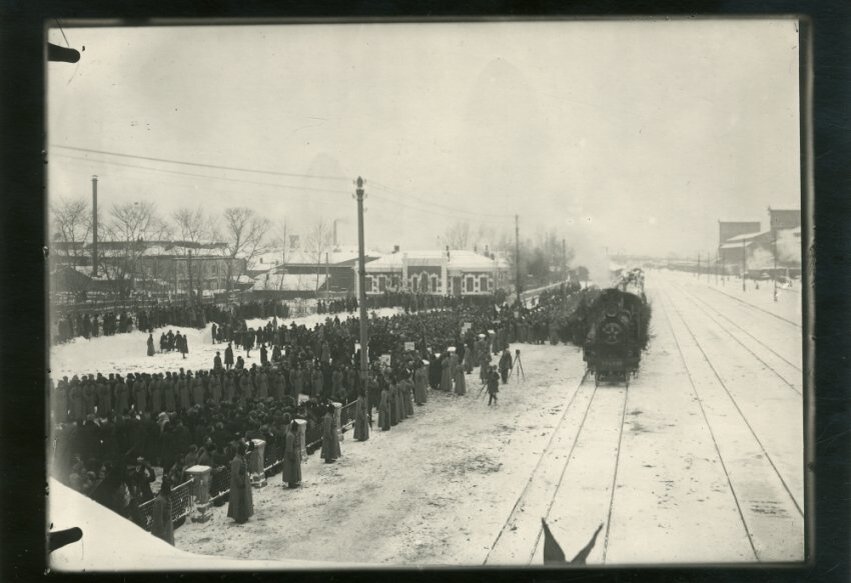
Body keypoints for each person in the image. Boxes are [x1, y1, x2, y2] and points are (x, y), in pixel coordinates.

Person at [227, 442, 254, 524]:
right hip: (238, 484)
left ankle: (244, 515)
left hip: (243, 482)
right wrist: (240, 483)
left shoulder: (241, 458)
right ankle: (238, 517)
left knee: (244, 499)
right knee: (238, 500)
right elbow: (235, 474)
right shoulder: (236, 460)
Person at [150, 479, 175, 545]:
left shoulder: (167, 498)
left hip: (168, 528)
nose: (172, 489)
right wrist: (162, 533)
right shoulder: (159, 501)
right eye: (171, 487)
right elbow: (158, 519)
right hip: (161, 531)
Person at [281, 420, 302, 488]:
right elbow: (289, 447)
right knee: (291, 468)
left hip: (294, 452)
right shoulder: (290, 435)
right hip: (291, 453)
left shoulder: (292, 434)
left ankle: (294, 481)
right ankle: (291, 483)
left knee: (294, 468)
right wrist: (291, 456)